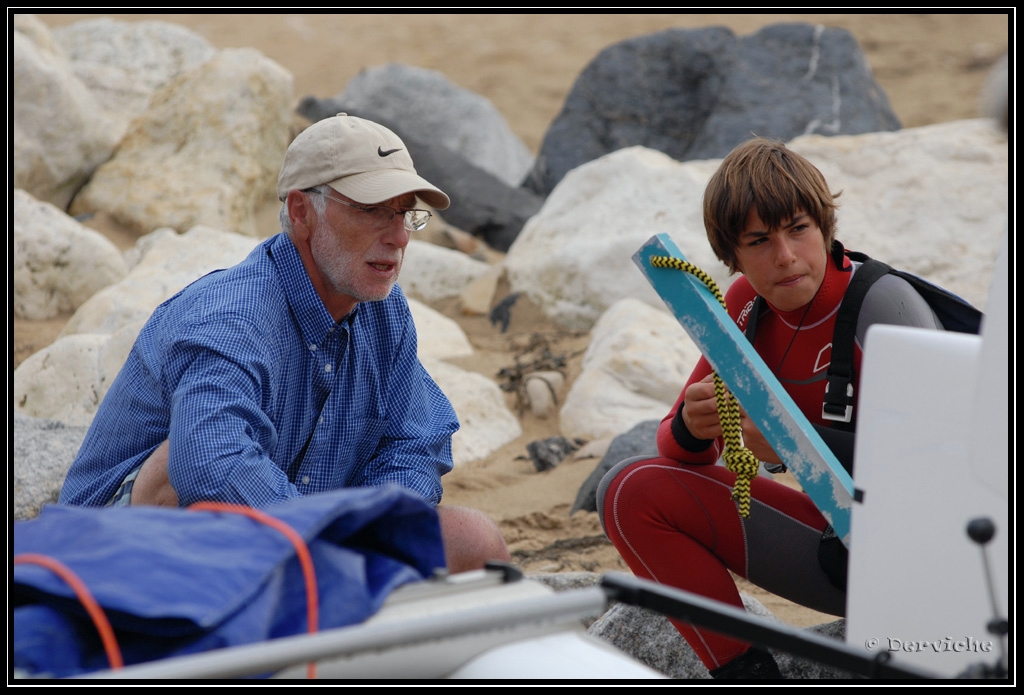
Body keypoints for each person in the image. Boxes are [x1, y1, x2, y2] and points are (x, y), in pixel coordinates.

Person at [58, 113, 511, 574]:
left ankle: (317, 606)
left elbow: (417, 441)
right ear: (301, 213)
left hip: (292, 541)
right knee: (183, 455)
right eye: (372, 210)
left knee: (474, 540)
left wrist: (371, 525)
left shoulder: (381, 309)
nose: (397, 237)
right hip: (111, 554)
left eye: (405, 213)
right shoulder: (233, 318)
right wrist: (325, 540)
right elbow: (210, 467)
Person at [598, 137, 942, 678]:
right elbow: (675, 449)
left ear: (825, 227)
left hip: (939, 563)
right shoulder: (745, 306)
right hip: (841, 552)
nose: (784, 257)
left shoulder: (885, 305)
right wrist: (694, 423)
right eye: (758, 241)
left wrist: (792, 439)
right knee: (628, 490)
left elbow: (946, 466)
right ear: (732, 257)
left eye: (798, 229)